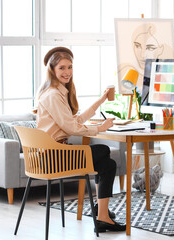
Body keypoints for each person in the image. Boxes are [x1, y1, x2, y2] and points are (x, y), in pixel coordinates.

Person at [35, 47, 125, 232]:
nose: (67, 72)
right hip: (53, 158)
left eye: (70, 67)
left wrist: (101, 100)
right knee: (104, 151)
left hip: (53, 154)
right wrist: (100, 128)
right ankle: (101, 215)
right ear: (52, 69)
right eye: (62, 68)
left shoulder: (55, 92)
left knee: (107, 165)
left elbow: (72, 121)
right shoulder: (53, 95)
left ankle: (102, 215)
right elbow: (71, 128)